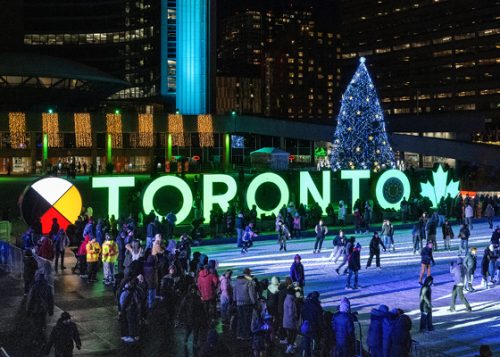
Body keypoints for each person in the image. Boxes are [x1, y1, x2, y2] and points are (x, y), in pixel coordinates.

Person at [26, 272, 54, 342]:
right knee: (41, 322)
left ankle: (38, 338)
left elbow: (30, 300)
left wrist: (28, 311)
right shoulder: (48, 287)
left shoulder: (34, 287)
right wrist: (51, 310)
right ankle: (41, 334)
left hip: (35, 309)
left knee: (35, 324)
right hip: (43, 309)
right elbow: (50, 300)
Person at [179, 284, 206, 350]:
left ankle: (194, 344)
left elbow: (201, 308)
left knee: (195, 331)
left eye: (194, 289)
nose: (193, 291)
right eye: (192, 289)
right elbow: (182, 308)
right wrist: (181, 317)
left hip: (195, 318)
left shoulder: (197, 298)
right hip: (189, 317)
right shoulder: (187, 298)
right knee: (189, 330)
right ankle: (186, 339)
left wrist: (203, 316)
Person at [234, 268, 258, 340]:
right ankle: (246, 335)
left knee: (240, 319)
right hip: (247, 303)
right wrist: (254, 302)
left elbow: (234, 291)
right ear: (248, 273)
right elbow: (252, 293)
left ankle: (239, 334)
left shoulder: (237, 281)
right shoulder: (249, 282)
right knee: (247, 320)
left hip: (239, 302)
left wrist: (235, 300)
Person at [300, 291, 323, 357]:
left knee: (306, 342)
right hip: (314, 327)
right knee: (315, 341)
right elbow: (319, 319)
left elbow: (302, 315)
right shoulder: (317, 307)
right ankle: (315, 352)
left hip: (306, 326)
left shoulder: (305, 305)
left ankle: (306, 354)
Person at [283, 286, 299, 354]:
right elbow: (291, 312)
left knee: (290, 334)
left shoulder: (287, 298)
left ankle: (289, 347)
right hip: (290, 321)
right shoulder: (291, 300)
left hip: (286, 320)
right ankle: (289, 348)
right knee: (293, 334)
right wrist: (294, 318)